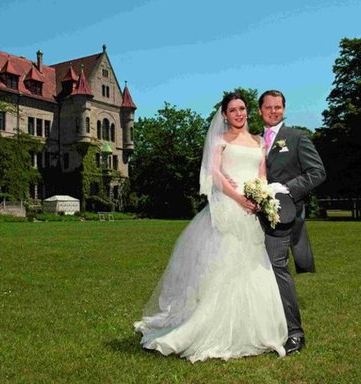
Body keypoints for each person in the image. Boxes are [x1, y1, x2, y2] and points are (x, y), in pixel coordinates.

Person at [134, 92, 288, 362]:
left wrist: (261, 197)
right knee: (225, 267)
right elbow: (215, 173)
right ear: (225, 115)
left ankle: (254, 329)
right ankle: (212, 328)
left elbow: (261, 173)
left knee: (254, 266)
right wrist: (239, 198)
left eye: (242, 108)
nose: (239, 113)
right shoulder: (220, 140)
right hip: (229, 208)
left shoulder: (258, 141)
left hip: (253, 211)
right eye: (233, 110)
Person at [258, 89, 326, 354]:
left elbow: (317, 172)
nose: (273, 111)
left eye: (278, 107)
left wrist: (287, 188)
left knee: (277, 267)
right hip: (254, 217)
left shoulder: (297, 137)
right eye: (268, 107)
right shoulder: (253, 140)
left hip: (284, 216)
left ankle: (295, 333)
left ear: (284, 109)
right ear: (260, 110)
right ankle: (264, 328)